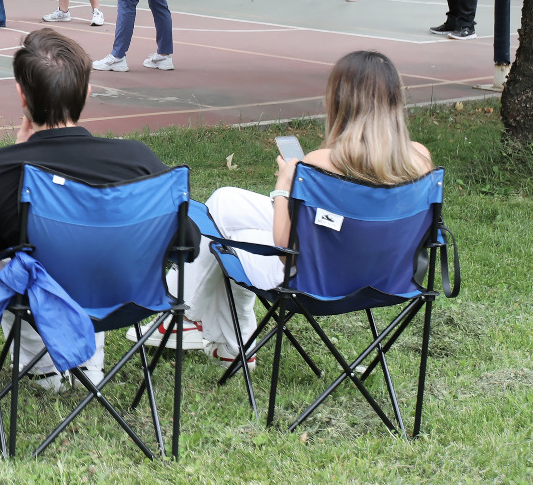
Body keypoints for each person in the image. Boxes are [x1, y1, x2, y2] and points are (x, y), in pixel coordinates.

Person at [171, 51, 433, 366]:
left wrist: (284, 184)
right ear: (395, 99)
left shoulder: (321, 164)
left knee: (223, 237)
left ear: (340, 100)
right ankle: (220, 338)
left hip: (313, 280)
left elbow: (285, 248)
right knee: (224, 200)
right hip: (389, 277)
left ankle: (183, 315)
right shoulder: (419, 158)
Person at [0, 28, 174, 388]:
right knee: (93, 246)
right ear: (86, 93)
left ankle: (42, 368)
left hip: (33, 295)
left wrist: (16, 154)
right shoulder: (139, 161)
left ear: (21, 97)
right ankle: (86, 363)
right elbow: (184, 243)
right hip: (123, 297)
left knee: (8, 260)